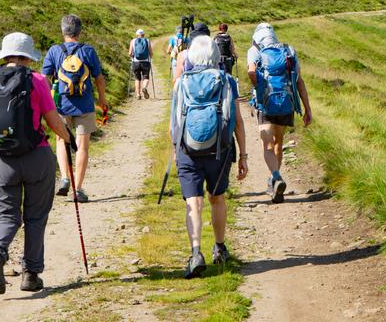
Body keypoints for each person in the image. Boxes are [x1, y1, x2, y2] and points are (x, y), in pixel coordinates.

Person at [0, 32, 74, 294]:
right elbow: (52, 121)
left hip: (0, 162)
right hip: (36, 156)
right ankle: (31, 273)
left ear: (4, 55)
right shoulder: (37, 80)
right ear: (28, 57)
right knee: (36, 216)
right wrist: (68, 139)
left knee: (5, 215)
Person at [170, 35, 247, 278]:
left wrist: (176, 151)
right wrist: (243, 155)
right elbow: (237, 122)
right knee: (217, 198)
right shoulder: (226, 80)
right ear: (215, 56)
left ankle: (195, 253)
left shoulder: (181, 82)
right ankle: (220, 247)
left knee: (194, 202)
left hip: (188, 150)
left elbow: (174, 124)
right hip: (220, 150)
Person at [41, 14, 108, 203]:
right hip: (85, 105)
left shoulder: (54, 51)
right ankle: (78, 189)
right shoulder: (88, 51)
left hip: (61, 106)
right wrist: (102, 99)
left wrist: (45, 101)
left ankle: (64, 177)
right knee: (83, 146)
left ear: (63, 31)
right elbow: (99, 78)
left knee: (62, 141)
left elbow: (44, 78)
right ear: (80, 32)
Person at [247, 23, 313, 204]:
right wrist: (307, 108)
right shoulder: (288, 50)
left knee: (267, 144)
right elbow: (299, 81)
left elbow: (251, 72)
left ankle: (275, 176)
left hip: (265, 104)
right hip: (287, 103)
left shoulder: (254, 51)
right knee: (278, 142)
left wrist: (258, 88)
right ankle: (274, 180)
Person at [129, 29, 153, 99]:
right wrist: (150, 58)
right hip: (146, 62)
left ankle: (138, 95)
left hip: (136, 62)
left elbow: (130, 53)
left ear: (137, 35)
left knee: (137, 78)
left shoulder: (133, 41)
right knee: (146, 77)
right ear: (144, 35)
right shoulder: (147, 41)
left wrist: (132, 57)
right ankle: (144, 88)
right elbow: (151, 53)